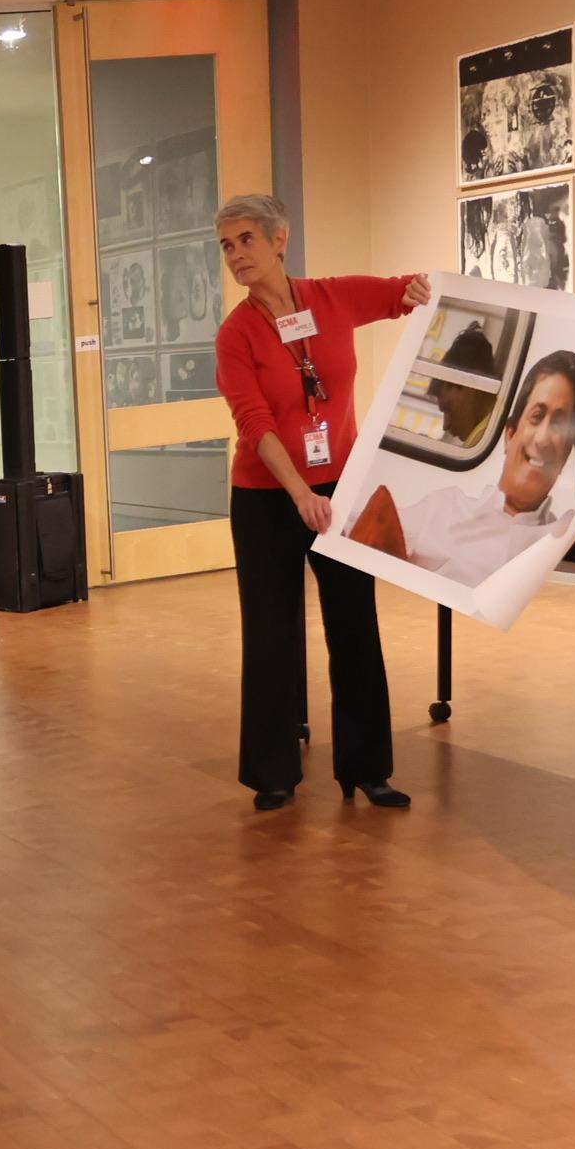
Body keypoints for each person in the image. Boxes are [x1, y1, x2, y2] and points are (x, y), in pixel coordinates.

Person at [213, 192, 427, 812]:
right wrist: (300, 492)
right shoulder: (236, 335)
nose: (236, 255)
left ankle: (368, 768)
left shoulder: (332, 298)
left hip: (342, 488)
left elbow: (401, 292)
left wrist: (426, 294)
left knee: (355, 624)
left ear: (280, 239)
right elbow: (254, 422)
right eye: (227, 245)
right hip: (266, 496)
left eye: (247, 239)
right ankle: (274, 772)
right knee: (273, 631)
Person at [348, 351, 575, 590]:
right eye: (537, 416)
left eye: (558, 423)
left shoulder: (566, 534)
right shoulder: (445, 509)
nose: (543, 438)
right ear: (510, 434)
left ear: (566, 452)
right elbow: (359, 529)